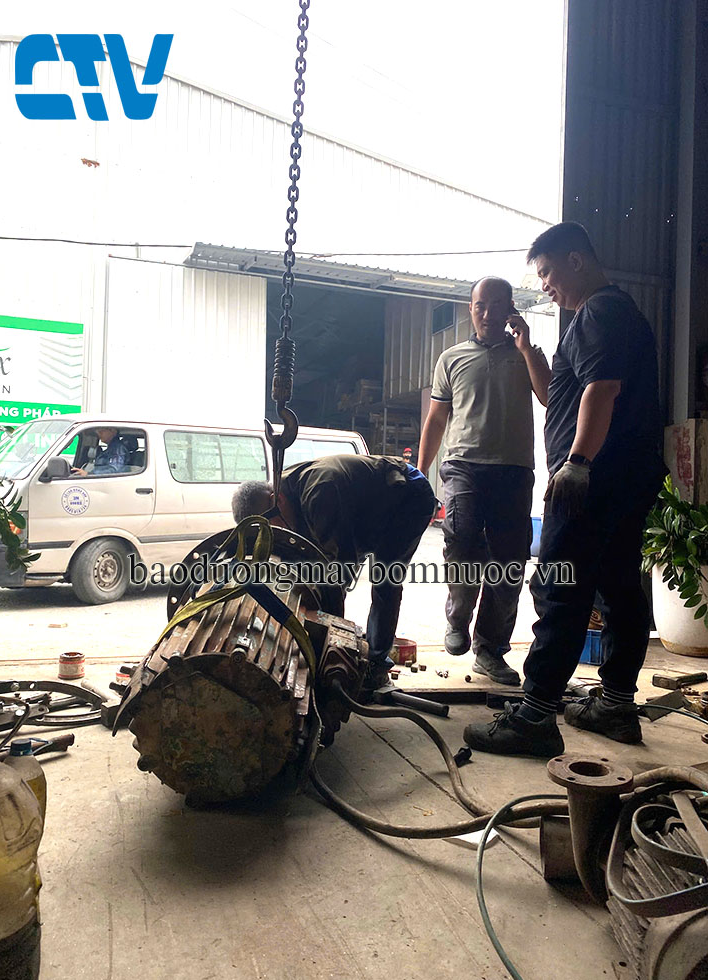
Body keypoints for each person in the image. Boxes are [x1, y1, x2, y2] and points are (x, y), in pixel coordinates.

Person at [464, 222, 665, 757]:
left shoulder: (599, 311)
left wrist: (577, 463)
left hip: (592, 481)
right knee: (618, 586)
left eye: (548, 272)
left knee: (561, 586)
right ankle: (617, 705)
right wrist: (528, 348)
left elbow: (602, 389)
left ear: (577, 260)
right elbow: (560, 397)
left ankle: (535, 716)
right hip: (623, 476)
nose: (545, 285)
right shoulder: (611, 314)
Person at [417, 277, 551, 685]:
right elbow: (436, 420)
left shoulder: (526, 354)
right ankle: (458, 618)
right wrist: (419, 475)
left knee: (509, 563)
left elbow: (549, 396)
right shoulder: (451, 358)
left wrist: (527, 348)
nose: (489, 314)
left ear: (511, 308)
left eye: (497, 305)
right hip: (464, 466)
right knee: (461, 541)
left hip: (513, 470)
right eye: (481, 305)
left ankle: (490, 650)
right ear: (470, 309)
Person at [232, 454, 436, 688]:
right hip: (365, 507)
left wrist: (330, 639)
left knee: (385, 579)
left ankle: (377, 666)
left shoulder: (320, 495)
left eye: (270, 526)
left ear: (276, 499)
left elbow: (339, 575)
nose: (273, 534)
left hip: (408, 496)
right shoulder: (285, 493)